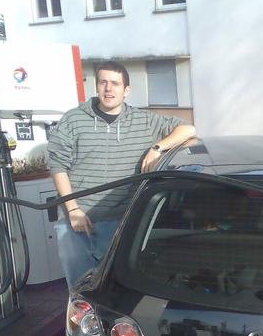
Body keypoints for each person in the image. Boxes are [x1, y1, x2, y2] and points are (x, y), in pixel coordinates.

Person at [47, 60, 196, 288]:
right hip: (76, 222)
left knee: (114, 290)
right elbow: (57, 165)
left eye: (115, 83)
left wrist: (157, 147)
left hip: (121, 221)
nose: (108, 89)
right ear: (96, 86)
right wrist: (73, 210)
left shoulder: (144, 121)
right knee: (80, 290)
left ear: (126, 90)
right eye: (103, 82)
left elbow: (188, 129)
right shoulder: (73, 119)